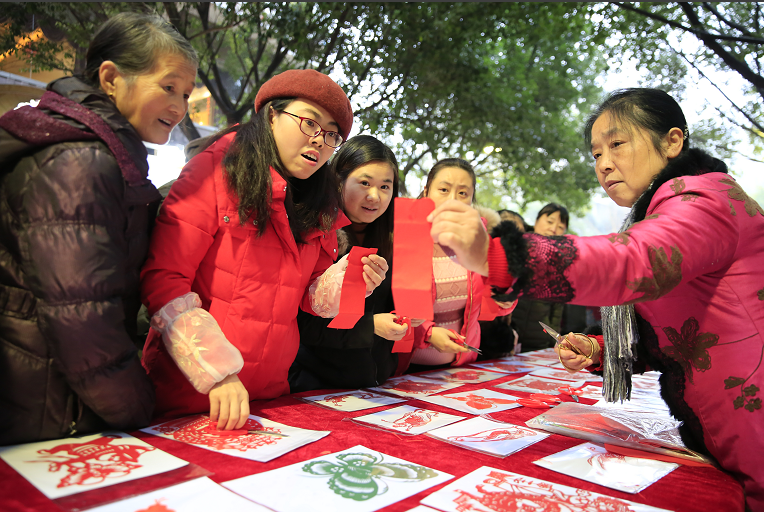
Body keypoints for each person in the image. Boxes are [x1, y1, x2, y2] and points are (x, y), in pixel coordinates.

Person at [427, 88, 764, 509]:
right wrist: (599, 348)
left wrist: (501, 257)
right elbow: (673, 331)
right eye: (596, 153)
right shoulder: (668, 208)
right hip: (730, 428)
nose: (604, 164)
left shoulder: (704, 200)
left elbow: (632, 261)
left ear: (673, 141)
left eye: (617, 144)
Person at [140, 69, 388, 429]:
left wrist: (350, 280)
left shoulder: (319, 206)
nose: (319, 140)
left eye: (331, 134)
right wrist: (217, 373)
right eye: (309, 123)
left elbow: (309, 299)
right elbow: (164, 281)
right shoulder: (212, 172)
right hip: (191, 394)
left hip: (271, 396)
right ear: (272, 114)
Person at [0, 12, 198, 445]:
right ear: (110, 78)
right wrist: (137, 405)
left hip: (52, 396)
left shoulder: (104, 155)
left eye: (186, 93)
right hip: (48, 406)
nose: (180, 108)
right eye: (168, 87)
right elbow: (81, 314)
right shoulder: (79, 162)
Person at [289, 135, 407, 391]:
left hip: (378, 388)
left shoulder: (394, 242)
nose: (374, 196)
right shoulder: (315, 236)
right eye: (364, 183)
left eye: (385, 187)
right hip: (318, 387)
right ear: (338, 181)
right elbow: (302, 324)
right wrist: (371, 326)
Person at [403, 159, 515, 373]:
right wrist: (427, 333)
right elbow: (395, 306)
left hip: (460, 365)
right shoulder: (408, 235)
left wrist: (505, 294)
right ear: (427, 192)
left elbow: (491, 305)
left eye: (463, 193)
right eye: (443, 190)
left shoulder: (478, 241)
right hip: (407, 367)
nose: (452, 200)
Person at [511, 202, 570, 353]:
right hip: (508, 337)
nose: (553, 228)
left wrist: (552, 340)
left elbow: (557, 308)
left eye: (560, 226)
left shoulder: (560, 263)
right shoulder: (515, 247)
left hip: (539, 342)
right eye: (549, 221)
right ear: (536, 221)